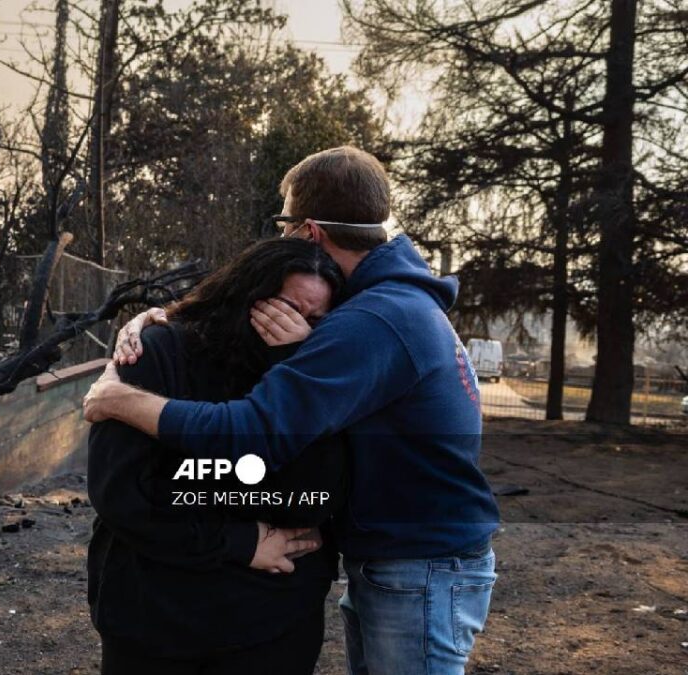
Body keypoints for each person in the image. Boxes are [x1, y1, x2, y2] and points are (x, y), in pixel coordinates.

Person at [83, 146, 500, 675]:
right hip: (406, 559)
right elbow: (234, 304)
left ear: (309, 231)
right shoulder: (383, 304)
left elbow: (252, 434)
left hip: (419, 565)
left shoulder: (375, 320)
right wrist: (165, 317)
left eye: (284, 226)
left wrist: (124, 400)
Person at [88, 238, 348, 675]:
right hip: (156, 622)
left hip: (272, 625)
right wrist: (239, 541)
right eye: (283, 309)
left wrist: (296, 367)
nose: (294, 326)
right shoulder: (157, 352)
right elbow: (124, 493)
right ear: (247, 294)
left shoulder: (318, 375)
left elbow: (318, 491)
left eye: (314, 320)